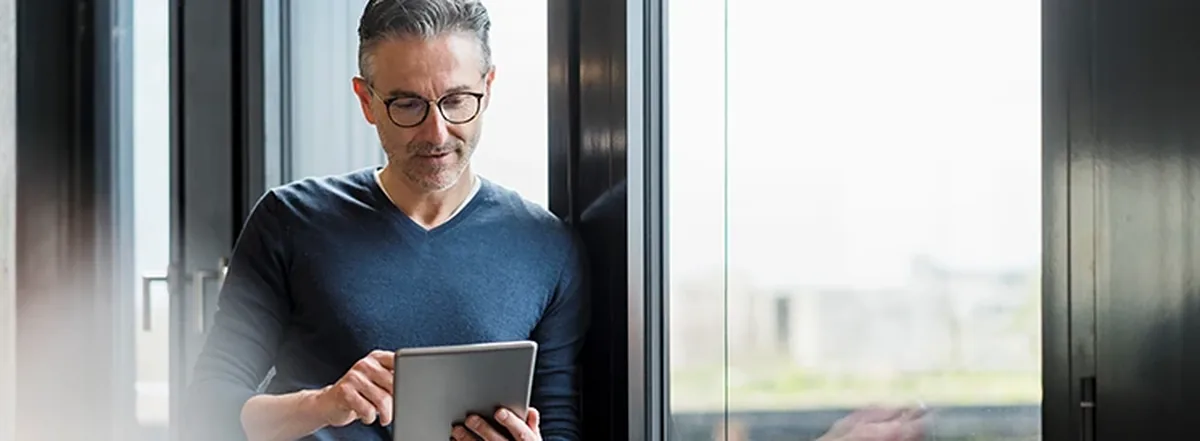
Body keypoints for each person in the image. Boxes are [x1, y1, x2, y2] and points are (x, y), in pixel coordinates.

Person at [183, 1, 588, 440]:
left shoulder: (547, 247)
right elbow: (207, 407)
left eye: (456, 101)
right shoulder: (289, 220)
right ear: (367, 101)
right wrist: (322, 404)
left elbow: (558, 424)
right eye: (408, 105)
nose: (436, 132)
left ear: (487, 88)